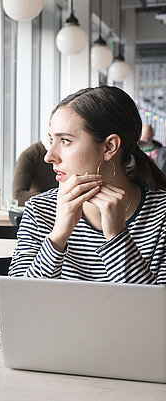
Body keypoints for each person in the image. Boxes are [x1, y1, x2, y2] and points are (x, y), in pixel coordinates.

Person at [9, 85, 166, 285]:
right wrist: (57, 237)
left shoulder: (161, 214)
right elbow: (20, 304)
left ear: (109, 146)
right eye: (51, 140)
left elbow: (156, 313)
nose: (49, 156)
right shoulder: (40, 210)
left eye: (65, 140)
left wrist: (117, 237)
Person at [12, 140, 58, 206]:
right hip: (41, 211)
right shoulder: (29, 155)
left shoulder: (69, 154)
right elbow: (18, 196)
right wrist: (56, 198)